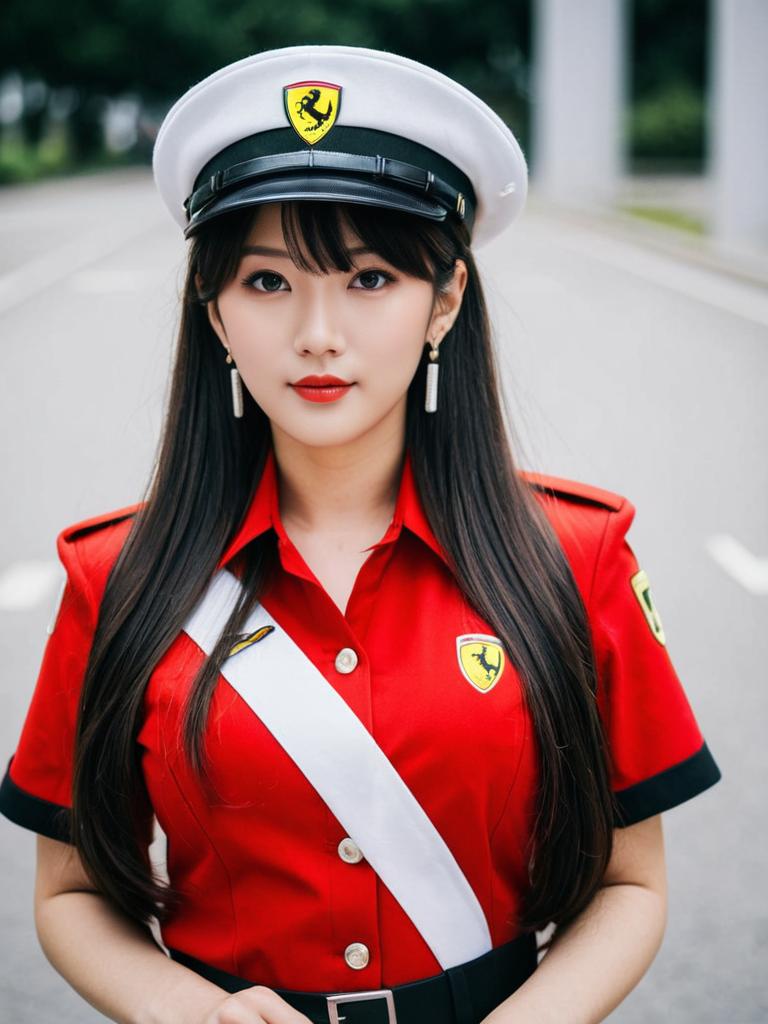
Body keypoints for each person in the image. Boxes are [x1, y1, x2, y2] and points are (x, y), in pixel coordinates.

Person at [0, 43, 721, 1024]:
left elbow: (632, 883)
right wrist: (186, 1011)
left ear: (447, 300)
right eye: (267, 281)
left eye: (372, 278)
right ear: (211, 309)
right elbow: (71, 893)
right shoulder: (116, 578)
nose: (317, 332)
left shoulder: (573, 556)